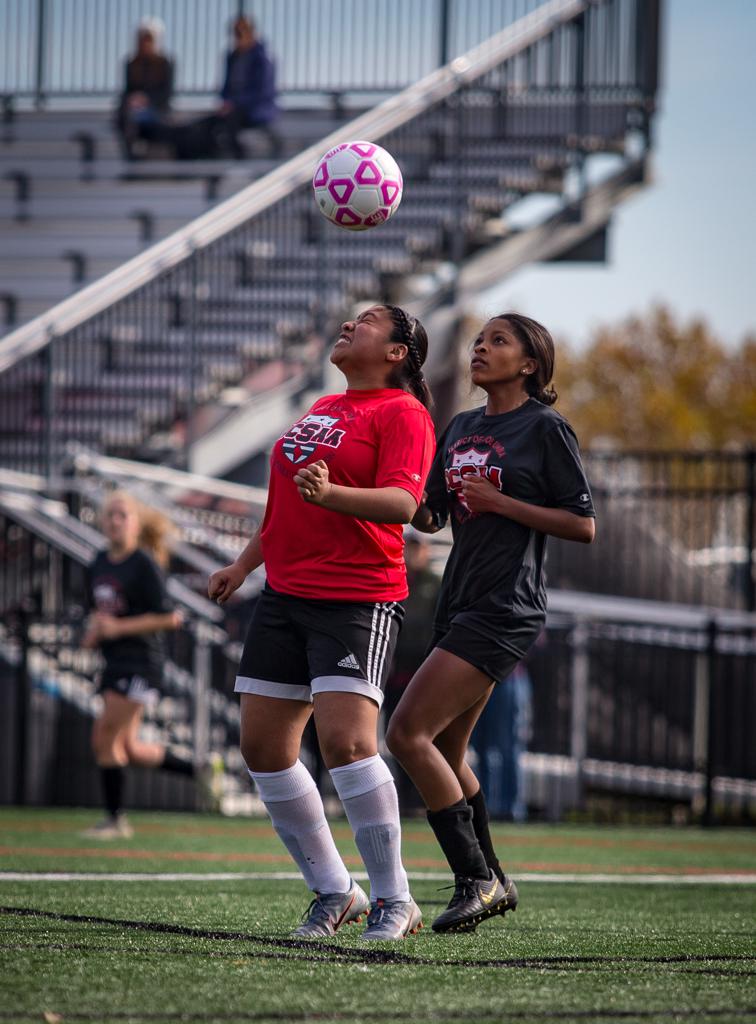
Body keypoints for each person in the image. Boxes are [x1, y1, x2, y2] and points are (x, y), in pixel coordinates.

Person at [208, 304, 435, 941]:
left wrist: (332, 495)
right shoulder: (324, 408)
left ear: (397, 353)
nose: (348, 324)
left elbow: (403, 503)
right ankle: (337, 891)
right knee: (263, 749)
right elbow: (287, 505)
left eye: (366, 322)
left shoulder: (404, 413)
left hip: (356, 597)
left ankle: (396, 898)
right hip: (283, 595)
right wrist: (243, 564)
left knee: (347, 745)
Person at [386, 312, 596, 933]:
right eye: (479, 340)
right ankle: (494, 879)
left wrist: (503, 502)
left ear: (530, 363)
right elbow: (431, 516)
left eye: (498, 341)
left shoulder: (546, 428)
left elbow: (584, 524)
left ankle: (473, 878)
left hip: (507, 606)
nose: (482, 348)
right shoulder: (461, 426)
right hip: (461, 600)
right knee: (447, 748)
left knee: (406, 735)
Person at [82, 492, 214, 839]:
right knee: (128, 748)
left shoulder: (142, 563)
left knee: (103, 737)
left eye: (122, 515)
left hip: (140, 662)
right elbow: (100, 610)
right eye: (110, 514)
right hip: (113, 660)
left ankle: (115, 821)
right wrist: (95, 631)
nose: (115, 521)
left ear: (135, 523)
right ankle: (198, 770)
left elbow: (171, 617)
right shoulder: (98, 561)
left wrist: (117, 628)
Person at [382, 530, 440, 813]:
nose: (412, 553)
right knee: (395, 736)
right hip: (395, 674)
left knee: (421, 737)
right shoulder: (396, 579)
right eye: (409, 547)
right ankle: (404, 799)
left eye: (417, 548)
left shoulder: (434, 584)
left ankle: (425, 798)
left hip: (421, 673)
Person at [215, 15, 282, 159]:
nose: (237, 38)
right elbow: (226, 88)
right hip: (235, 110)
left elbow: (262, 92)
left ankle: (239, 158)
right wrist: (226, 102)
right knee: (208, 125)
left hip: (255, 109)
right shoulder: (232, 57)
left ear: (251, 33)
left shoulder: (262, 58)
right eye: (235, 33)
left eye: (241, 33)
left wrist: (234, 103)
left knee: (229, 123)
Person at [115, 18, 174, 161]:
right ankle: (131, 155)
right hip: (134, 110)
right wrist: (132, 100)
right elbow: (127, 90)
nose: (145, 43)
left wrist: (146, 100)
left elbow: (166, 93)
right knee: (126, 115)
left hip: (156, 108)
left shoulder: (165, 63)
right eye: (142, 39)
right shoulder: (131, 63)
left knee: (137, 119)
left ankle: (140, 153)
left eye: (149, 39)